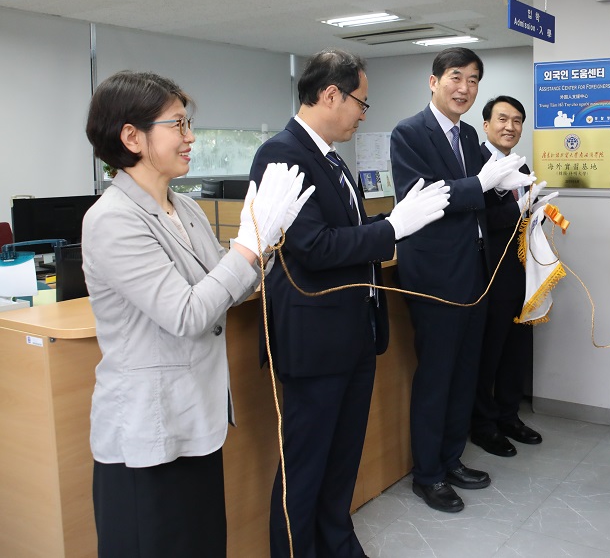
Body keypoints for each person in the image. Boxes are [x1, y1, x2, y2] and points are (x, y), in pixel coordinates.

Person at [82, 71, 313, 558]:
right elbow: (187, 313)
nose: (191, 138)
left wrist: (266, 241)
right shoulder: (111, 219)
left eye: (188, 124)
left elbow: (228, 288)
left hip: (197, 421)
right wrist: (246, 248)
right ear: (132, 137)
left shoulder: (184, 208)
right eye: (178, 125)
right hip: (149, 431)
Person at [249, 50, 449, 558]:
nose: (363, 114)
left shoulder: (331, 157)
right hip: (314, 340)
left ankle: (338, 543)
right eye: (361, 102)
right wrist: (392, 228)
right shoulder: (282, 154)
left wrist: (392, 223)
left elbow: (348, 232)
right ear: (331, 95)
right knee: (306, 465)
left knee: (341, 460)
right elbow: (313, 247)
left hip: (353, 333)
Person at [390, 48, 534, 513]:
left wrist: (511, 194)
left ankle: (451, 459)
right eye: (456, 77)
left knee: (464, 374)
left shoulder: (469, 134)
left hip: (475, 273)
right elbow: (425, 198)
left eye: (473, 80)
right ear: (434, 81)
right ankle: (427, 474)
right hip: (435, 277)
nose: (464, 88)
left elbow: (479, 203)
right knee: (437, 377)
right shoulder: (409, 133)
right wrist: (483, 184)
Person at [470, 95, 554, 457]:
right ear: (486, 124)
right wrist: (519, 209)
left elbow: (522, 217)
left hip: (522, 272)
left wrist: (536, 213)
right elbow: (479, 220)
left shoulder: (520, 164)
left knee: (516, 349)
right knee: (488, 352)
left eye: (517, 120)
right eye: (502, 119)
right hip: (490, 274)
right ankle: (483, 424)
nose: (510, 126)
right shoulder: (475, 164)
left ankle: (508, 415)